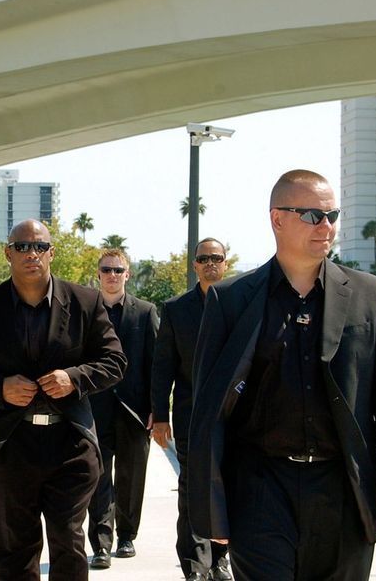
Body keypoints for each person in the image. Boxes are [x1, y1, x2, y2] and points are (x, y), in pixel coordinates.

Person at [187, 170, 376, 580]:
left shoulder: (372, 296)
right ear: (278, 219)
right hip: (260, 491)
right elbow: (209, 412)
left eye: (332, 214)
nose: (327, 226)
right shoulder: (231, 301)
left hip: (345, 491)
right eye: (313, 215)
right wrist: (211, 509)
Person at [0, 219, 126, 581]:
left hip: (70, 444)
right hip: (11, 445)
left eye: (40, 247)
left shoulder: (85, 302)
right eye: (23, 247)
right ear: (7, 253)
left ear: (51, 253)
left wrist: (73, 378)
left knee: (68, 543)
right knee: (13, 552)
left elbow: (115, 361)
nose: (32, 254)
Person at [151, 237, 232, 581]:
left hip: (233, 419)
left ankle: (220, 558)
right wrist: (159, 416)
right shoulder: (175, 309)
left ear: (225, 264)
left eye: (216, 258)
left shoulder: (241, 303)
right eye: (204, 258)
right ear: (195, 265)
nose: (210, 263)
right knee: (192, 491)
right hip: (190, 419)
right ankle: (195, 566)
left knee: (228, 490)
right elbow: (163, 367)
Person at [86, 249, 158, 569]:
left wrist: (158, 409)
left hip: (135, 409)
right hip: (94, 408)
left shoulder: (145, 312)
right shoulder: (86, 311)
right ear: (98, 274)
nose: (112, 275)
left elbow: (157, 364)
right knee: (97, 477)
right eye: (107, 269)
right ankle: (101, 542)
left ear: (127, 274)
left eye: (118, 270)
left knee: (131, 477)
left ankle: (127, 535)